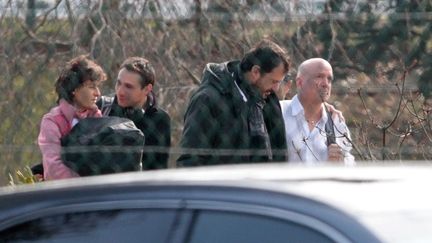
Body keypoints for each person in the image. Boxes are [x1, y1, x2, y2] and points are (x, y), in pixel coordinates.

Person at [177, 39, 290, 166]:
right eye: (274, 81)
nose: (276, 89)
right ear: (255, 72)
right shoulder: (208, 99)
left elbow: (280, 159)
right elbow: (191, 159)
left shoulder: (269, 102)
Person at [38, 55, 107, 180]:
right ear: (75, 89)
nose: (98, 93)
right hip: (66, 193)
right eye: (91, 87)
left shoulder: (96, 116)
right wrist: (83, 184)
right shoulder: (52, 121)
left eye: (97, 87)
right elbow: (53, 167)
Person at [97, 57, 171, 170]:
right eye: (119, 83)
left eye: (129, 87)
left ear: (147, 89)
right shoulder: (103, 108)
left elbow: (158, 168)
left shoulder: (160, 120)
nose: (120, 91)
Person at [280, 58, 355, 165]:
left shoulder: (336, 121)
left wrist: (341, 162)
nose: (326, 84)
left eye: (329, 79)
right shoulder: (279, 112)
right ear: (300, 82)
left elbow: (350, 164)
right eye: (319, 77)